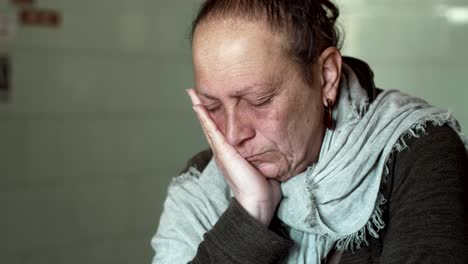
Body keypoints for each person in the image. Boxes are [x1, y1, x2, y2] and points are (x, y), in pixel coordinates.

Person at [151, 0, 468, 263]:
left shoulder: (417, 152)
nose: (233, 136)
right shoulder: (199, 184)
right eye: (213, 107)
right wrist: (249, 213)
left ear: (327, 76)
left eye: (258, 101)